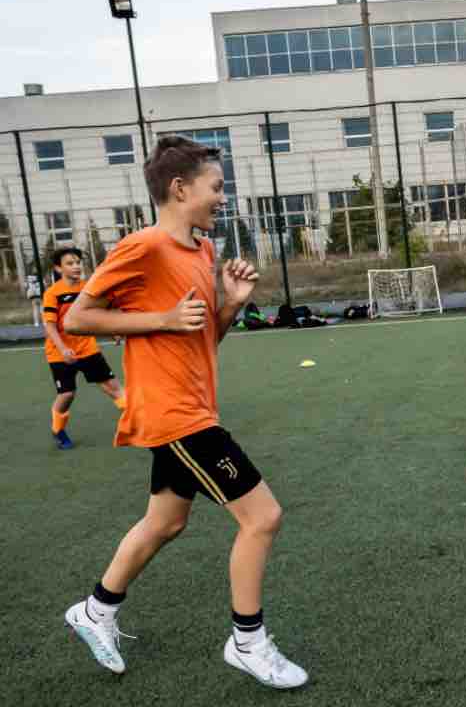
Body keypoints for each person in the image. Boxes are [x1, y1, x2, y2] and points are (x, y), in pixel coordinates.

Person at [61, 136, 307, 688]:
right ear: (180, 189)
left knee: (165, 522)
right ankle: (248, 641)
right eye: (216, 187)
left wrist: (230, 304)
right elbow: (78, 319)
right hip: (175, 414)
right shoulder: (143, 247)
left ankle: (95, 611)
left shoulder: (201, 252)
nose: (223, 197)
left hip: (193, 405)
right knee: (262, 517)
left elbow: (202, 339)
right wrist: (163, 320)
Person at [42, 246, 126, 449]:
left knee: (114, 388)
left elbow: (97, 316)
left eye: (78, 262)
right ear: (58, 269)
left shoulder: (89, 288)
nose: (76, 266)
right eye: (70, 263)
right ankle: (58, 430)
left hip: (88, 349)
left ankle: (138, 424)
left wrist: (112, 330)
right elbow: (50, 325)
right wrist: (62, 349)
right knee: (67, 394)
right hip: (59, 353)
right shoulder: (53, 293)